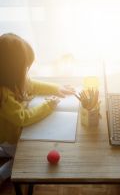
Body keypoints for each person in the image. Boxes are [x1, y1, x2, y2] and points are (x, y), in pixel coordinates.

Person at [0, 33, 75, 184]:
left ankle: (5, 151)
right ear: (12, 70)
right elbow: (23, 118)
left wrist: (57, 88)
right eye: (24, 67)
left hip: (12, 133)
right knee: (22, 159)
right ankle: (2, 174)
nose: (26, 71)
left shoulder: (13, 79)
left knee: (9, 149)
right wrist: (48, 105)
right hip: (11, 138)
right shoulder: (4, 95)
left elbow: (31, 85)